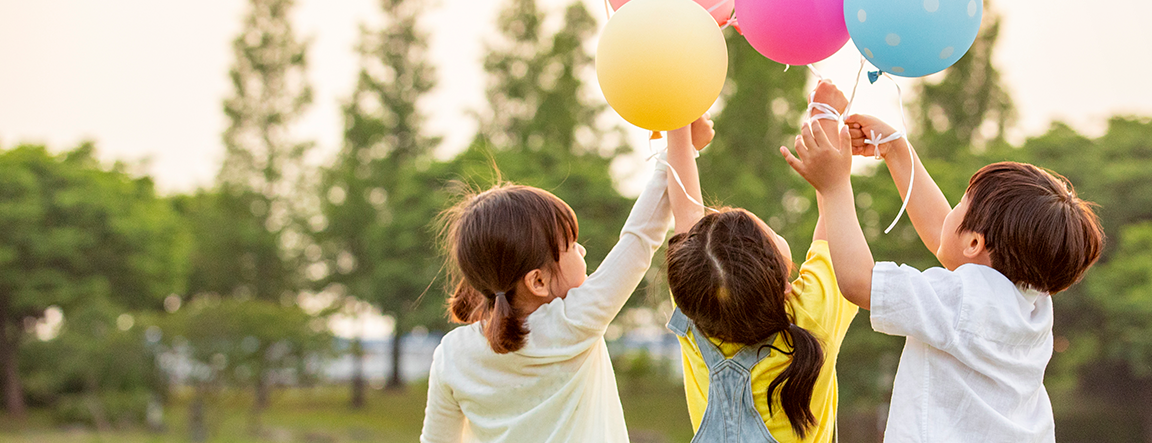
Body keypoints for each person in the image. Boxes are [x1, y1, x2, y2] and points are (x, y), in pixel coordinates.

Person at [784, 111, 1104, 442]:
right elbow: (947, 238)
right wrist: (896, 151)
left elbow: (858, 281)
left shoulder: (963, 300)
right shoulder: (1032, 303)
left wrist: (834, 185)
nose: (950, 211)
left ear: (975, 242)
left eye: (961, 204)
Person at [419, 120, 709, 443]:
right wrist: (682, 144)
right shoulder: (574, 323)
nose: (582, 249)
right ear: (538, 281)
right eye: (570, 245)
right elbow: (640, 238)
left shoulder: (452, 355)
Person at [658, 83, 860, 443]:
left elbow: (685, 208)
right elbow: (835, 214)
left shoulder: (696, 304)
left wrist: (682, 128)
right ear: (784, 281)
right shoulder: (811, 316)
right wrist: (824, 117)